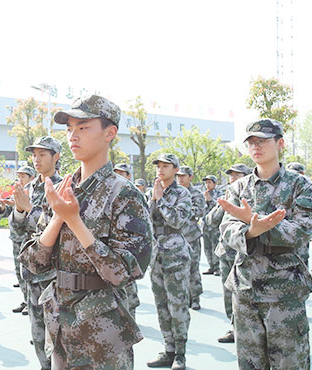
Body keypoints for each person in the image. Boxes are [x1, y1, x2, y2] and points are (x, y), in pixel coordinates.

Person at [19, 95, 152, 369]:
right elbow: (33, 262)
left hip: (101, 328)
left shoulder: (123, 194)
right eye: (69, 129)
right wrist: (58, 218)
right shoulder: (62, 189)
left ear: (109, 133)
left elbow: (123, 272)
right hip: (60, 320)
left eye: (83, 127)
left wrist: (75, 222)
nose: (73, 136)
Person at [218, 118, 312, 369]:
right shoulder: (239, 187)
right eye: (251, 142)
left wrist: (263, 224)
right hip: (245, 288)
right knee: (249, 362)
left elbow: (302, 231)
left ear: (280, 143)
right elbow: (227, 230)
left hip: (284, 289)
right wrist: (251, 231)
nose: (256, 147)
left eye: (262, 141)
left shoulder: (299, 185)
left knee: (289, 361)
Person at [13, 136, 63, 369]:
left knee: (57, 337)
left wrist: (29, 209)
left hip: (52, 274)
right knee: (37, 334)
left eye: (42, 154)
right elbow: (16, 227)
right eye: (34, 155)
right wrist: (20, 211)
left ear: (56, 157)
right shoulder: (30, 188)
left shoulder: (62, 187)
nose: (36, 159)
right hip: (31, 272)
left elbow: (55, 228)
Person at [146, 154, 192, 370]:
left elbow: (177, 220)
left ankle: (180, 355)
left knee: (178, 305)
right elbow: (145, 221)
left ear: (175, 170)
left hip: (175, 254)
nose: (160, 170)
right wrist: (153, 200)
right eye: (158, 166)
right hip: (156, 256)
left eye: (166, 166)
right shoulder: (152, 192)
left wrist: (160, 199)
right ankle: (169, 349)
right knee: (161, 305)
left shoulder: (182, 193)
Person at [205, 163, 251, 344]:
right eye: (231, 176)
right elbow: (210, 220)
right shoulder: (227, 198)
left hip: (245, 254)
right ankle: (234, 326)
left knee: (244, 293)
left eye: (237, 176)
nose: (232, 180)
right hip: (226, 252)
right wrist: (222, 205)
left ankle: (246, 328)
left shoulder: (251, 198)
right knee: (228, 292)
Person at [0, 165, 35, 314]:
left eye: (23, 176)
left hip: (28, 239)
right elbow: (4, 214)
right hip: (16, 238)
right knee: (19, 272)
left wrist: (22, 207)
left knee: (29, 273)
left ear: (31, 178)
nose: (20, 179)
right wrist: (3, 206)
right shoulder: (17, 193)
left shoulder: (34, 193)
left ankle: (31, 302)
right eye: (18, 176)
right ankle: (26, 299)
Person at [114, 163, 143, 318]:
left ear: (129, 175)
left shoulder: (134, 195)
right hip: (111, 257)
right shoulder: (109, 194)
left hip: (128, 254)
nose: (119, 175)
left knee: (129, 297)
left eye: (122, 173)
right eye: (116, 172)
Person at [176, 165, 205, 311]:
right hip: (177, 237)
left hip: (192, 236)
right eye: (178, 176)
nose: (180, 179)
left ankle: (195, 298)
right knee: (179, 269)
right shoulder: (174, 192)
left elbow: (200, 211)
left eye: (183, 176)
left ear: (190, 177)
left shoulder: (196, 194)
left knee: (193, 268)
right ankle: (184, 297)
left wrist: (183, 209)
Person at [201, 174, 222, 275]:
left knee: (216, 246)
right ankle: (211, 266)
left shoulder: (219, 194)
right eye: (206, 182)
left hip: (215, 226)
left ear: (215, 183)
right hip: (205, 225)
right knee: (207, 247)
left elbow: (220, 207)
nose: (207, 184)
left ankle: (218, 267)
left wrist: (210, 200)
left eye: (209, 182)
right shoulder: (203, 194)